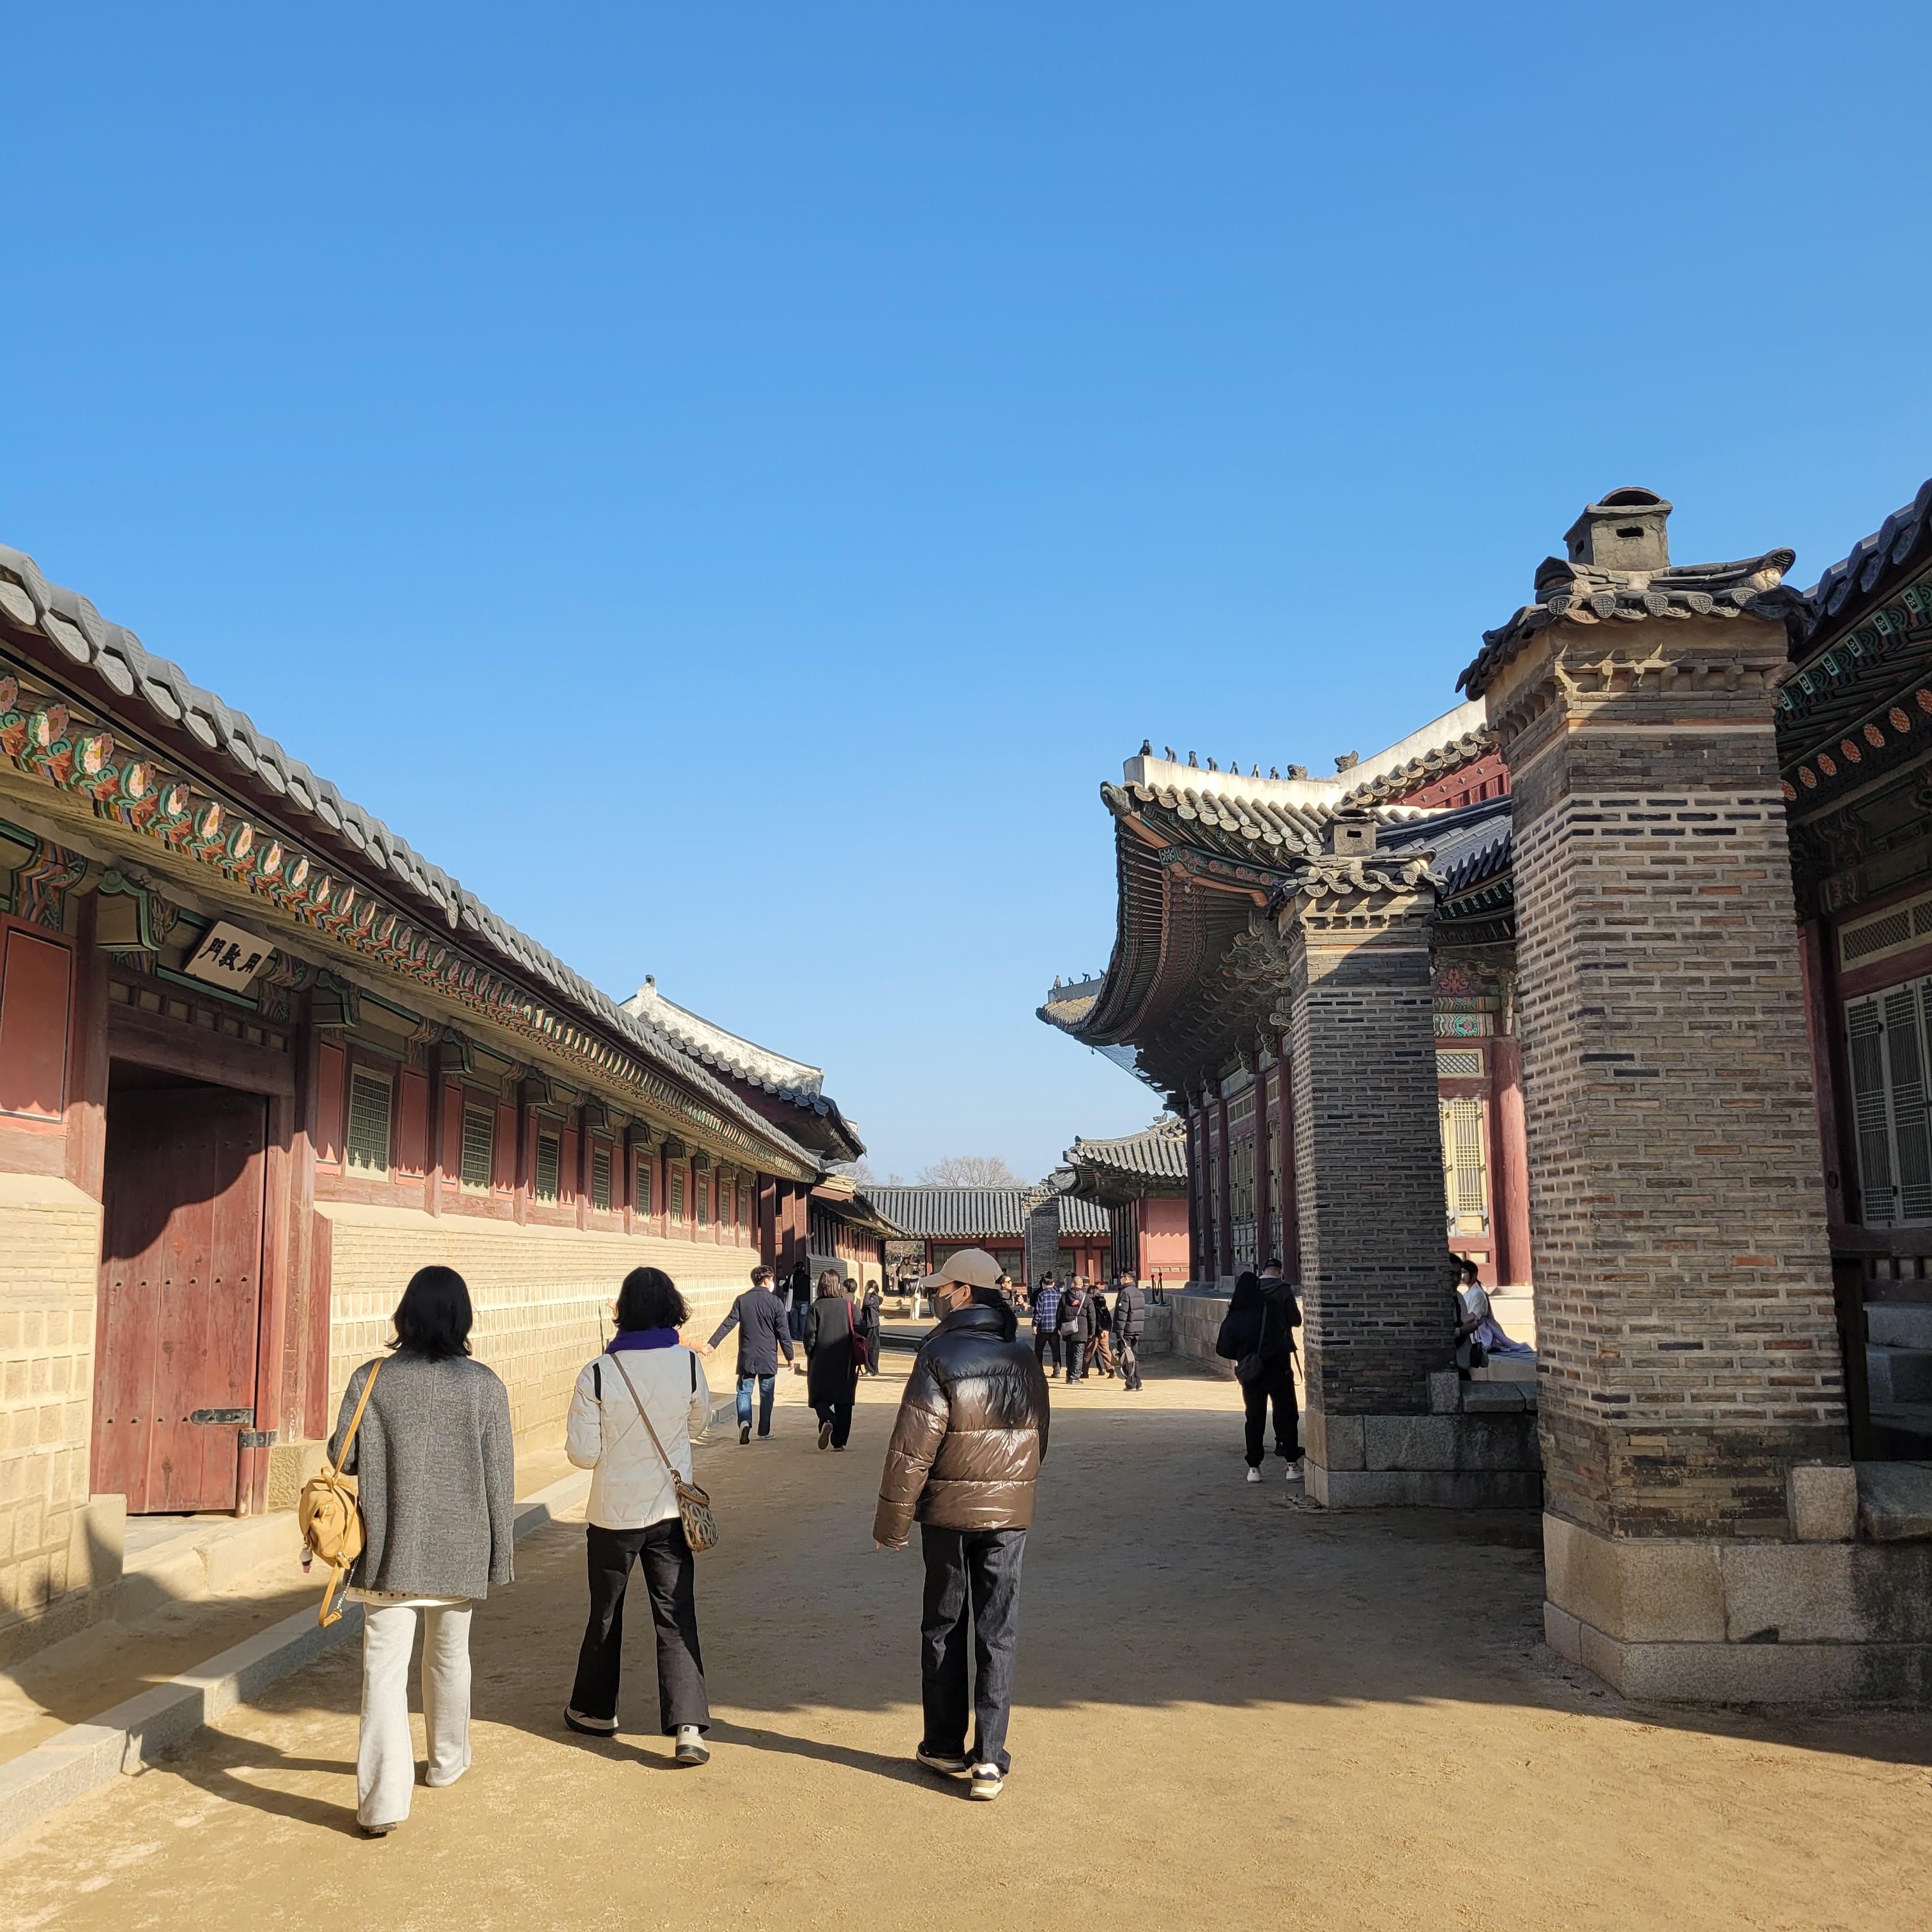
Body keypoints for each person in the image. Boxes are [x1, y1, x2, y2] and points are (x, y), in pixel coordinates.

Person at [328, 1265, 516, 1837]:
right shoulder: (484, 1385)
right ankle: (446, 1762)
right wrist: (500, 1557)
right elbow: (499, 1480)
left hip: (388, 1548)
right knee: (450, 1658)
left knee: (383, 1673)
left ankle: (382, 1804)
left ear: (404, 1315)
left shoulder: (370, 1377)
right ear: (462, 1318)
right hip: (460, 1548)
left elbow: (343, 1456)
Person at [873, 1246, 1050, 1803]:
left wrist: (893, 1522)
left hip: (948, 1513)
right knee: (999, 1630)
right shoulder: (1022, 1355)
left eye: (940, 1289)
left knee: (944, 1625)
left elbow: (912, 1446)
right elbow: (1039, 1436)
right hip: (1009, 1514)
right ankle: (990, 1757)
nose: (935, 1296)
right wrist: (1014, 1488)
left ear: (964, 1293)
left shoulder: (938, 1354)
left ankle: (945, 1744)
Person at [564, 1266, 714, 1764]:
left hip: (613, 1516)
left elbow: (583, 1454)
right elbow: (700, 1425)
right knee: (676, 1615)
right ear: (673, 1308)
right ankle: (688, 1727)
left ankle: (595, 1710)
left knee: (605, 1612)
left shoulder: (597, 1372)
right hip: (670, 1512)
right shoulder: (688, 1364)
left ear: (622, 1312)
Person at [1216, 1266, 1301, 1483]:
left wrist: (1244, 1355)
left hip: (1252, 1374)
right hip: (1279, 1369)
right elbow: (1286, 1332)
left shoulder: (1234, 1318)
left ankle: (1254, 1467)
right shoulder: (1271, 1311)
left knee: (1254, 1418)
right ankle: (1292, 1464)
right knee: (1286, 1415)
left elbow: (1223, 1349)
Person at [703, 1262, 795, 1443]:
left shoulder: (742, 1300)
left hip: (748, 1354)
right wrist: (789, 1356)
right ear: (767, 1281)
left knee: (744, 1391)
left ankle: (744, 1422)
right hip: (768, 1356)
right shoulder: (775, 1302)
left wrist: (712, 1344)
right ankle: (764, 1431)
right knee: (766, 1394)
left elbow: (728, 1324)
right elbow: (783, 1332)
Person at [804, 1269, 862, 1450]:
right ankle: (839, 1441)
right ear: (838, 1285)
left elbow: (809, 1337)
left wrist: (811, 1354)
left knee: (818, 1398)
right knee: (844, 1401)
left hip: (821, 1361)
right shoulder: (849, 1306)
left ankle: (827, 1419)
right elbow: (861, 1330)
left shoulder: (816, 1307)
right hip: (846, 1361)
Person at [1111, 1270, 1144, 1392]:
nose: (1120, 1279)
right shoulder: (1140, 1293)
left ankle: (1130, 1383)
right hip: (1137, 1329)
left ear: (1126, 1278)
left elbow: (1122, 1314)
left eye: (1121, 1277)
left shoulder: (1125, 1293)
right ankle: (1138, 1382)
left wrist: (1119, 1331)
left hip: (1127, 1330)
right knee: (1134, 1356)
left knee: (1126, 1357)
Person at [1058, 1277, 1094, 1384]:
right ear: (1082, 1285)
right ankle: (1075, 1377)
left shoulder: (1064, 1297)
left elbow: (1059, 1314)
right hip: (1081, 1330)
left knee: (1069, 1353)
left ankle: (1069, 1376)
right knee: (1078, 1354)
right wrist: (1091, 1332)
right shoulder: (1086, 1299)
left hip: (1068, 1329)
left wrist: (1059, 1328)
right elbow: (1092, 1317)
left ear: (1072, 1284)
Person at [1031, 1274, 1062, 1377]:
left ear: (1043, 1284)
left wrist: (1035, 1324)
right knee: (1056, 1349)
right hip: (1055, 1327)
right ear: (1053, 1284)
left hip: (1043, 1327)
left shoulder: (1041, 1295)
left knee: (1039, 1349)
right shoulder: (1059, 1295)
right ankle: (1057, 1371)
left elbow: (1038, 1312)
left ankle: (1039, 1370)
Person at [860, 1279, 884, 1374]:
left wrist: (867, 1293)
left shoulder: (874, 1299)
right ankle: (870, 1369)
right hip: (869, 1325)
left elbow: (866, 1303)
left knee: (872, 1348)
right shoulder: (873, 1298)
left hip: (873, 1326)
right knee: (869, 1348)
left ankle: (872, 1369)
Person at [787, 1253, 813, 1342]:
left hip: (794, 1301)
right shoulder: (807, 1278)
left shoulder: (792, 1277)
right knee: (803, 1319)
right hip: (804, 1302)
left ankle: (794, 1336)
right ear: (803, 1268)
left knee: (794, 1319)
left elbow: (785, 1288)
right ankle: (801, 1336)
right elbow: (811, 1289)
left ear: (795, 1268)